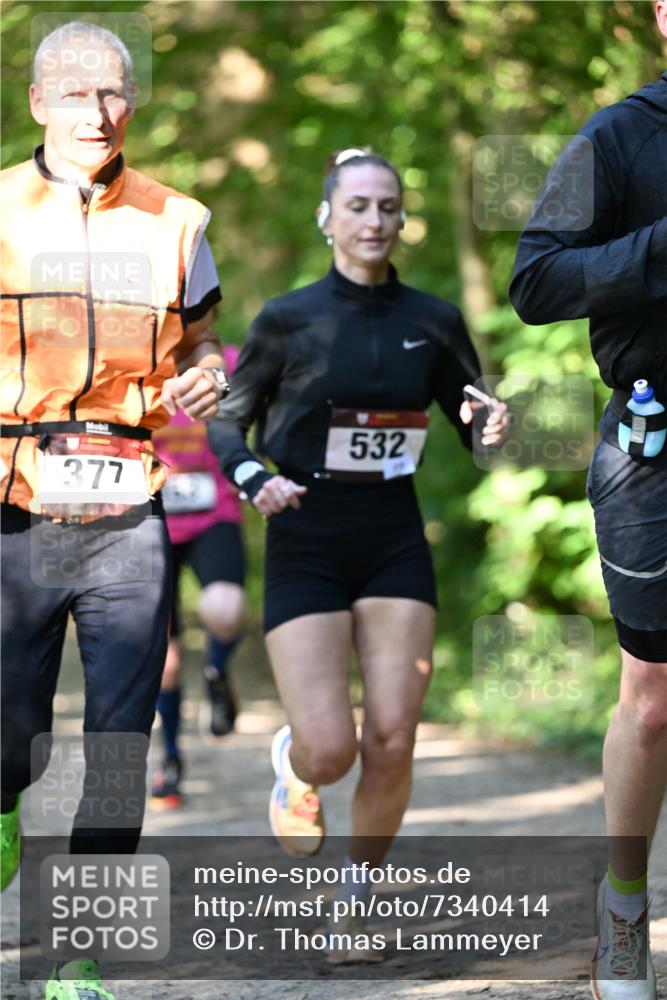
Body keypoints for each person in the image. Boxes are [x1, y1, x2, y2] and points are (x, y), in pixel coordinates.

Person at [210, 147, 508, 961]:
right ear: (327, 217)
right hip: (305, 533)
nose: (374, 221)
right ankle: (294, 764)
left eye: (387, 207)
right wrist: (249, 477)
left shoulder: (433, 319)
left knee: (391, 736)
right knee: (332, 749)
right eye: (358, 206)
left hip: (392, 538)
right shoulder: (286, 318)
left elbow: (468, 420)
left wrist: (490, 427)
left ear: (400, 218)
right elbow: (225, 422)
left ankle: (355, 901)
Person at [0, 21, 229, 1000]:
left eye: (116, 92)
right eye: (79, 92)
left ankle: (75, 954)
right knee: (11, 734)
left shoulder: (177, 218)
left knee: (122, 737)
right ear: (40, 101)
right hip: (13, 497)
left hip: (129, 501)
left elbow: (204, 349)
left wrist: (210, 383)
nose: (100, 112)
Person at [509, 7, 666, 997]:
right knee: (652, 705)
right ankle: (621, 913)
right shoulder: (616, 135)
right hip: (654, 440)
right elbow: (535, 280)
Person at [151, 343, 245, 809]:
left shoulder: (230, 360)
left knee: (225, 610)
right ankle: (169, 762)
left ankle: (216, 670)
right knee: (164, 661)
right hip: (151, 519)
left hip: (215, 513)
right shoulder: (134, 359)